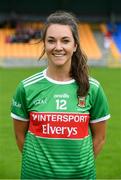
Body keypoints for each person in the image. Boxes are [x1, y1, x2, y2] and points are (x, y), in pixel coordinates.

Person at [11, 11, 110, 179]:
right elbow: (21, 138)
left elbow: (100, 138)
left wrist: (77, 168)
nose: (58, 47)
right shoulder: (26, 88)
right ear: (44, 44)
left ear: (75, 45)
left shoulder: (93, 89)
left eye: (65, 41)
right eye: (51, 41)